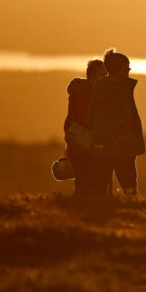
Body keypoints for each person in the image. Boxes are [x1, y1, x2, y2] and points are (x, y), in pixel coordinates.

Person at [88, 49, 145, 198]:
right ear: (117, 69)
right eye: (126, 66)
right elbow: (123, 119)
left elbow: (91, 114)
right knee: (128, 182)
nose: (129, 69)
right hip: (122, 145)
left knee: (100, 183)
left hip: (101, 142)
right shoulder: (122, 88)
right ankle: (134, 203)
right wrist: (122, 141)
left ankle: (99, 204)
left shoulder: (99, 86)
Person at [63, 59, 106, 198]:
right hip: (90, 145)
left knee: (81, 182)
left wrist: (70, 140)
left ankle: (79, 205)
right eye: (102, 75)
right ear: (93, 76)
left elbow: (69, 120)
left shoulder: (77, 92)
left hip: (76, 144)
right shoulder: (94, 94)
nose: (106, 78)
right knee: (91, 184)